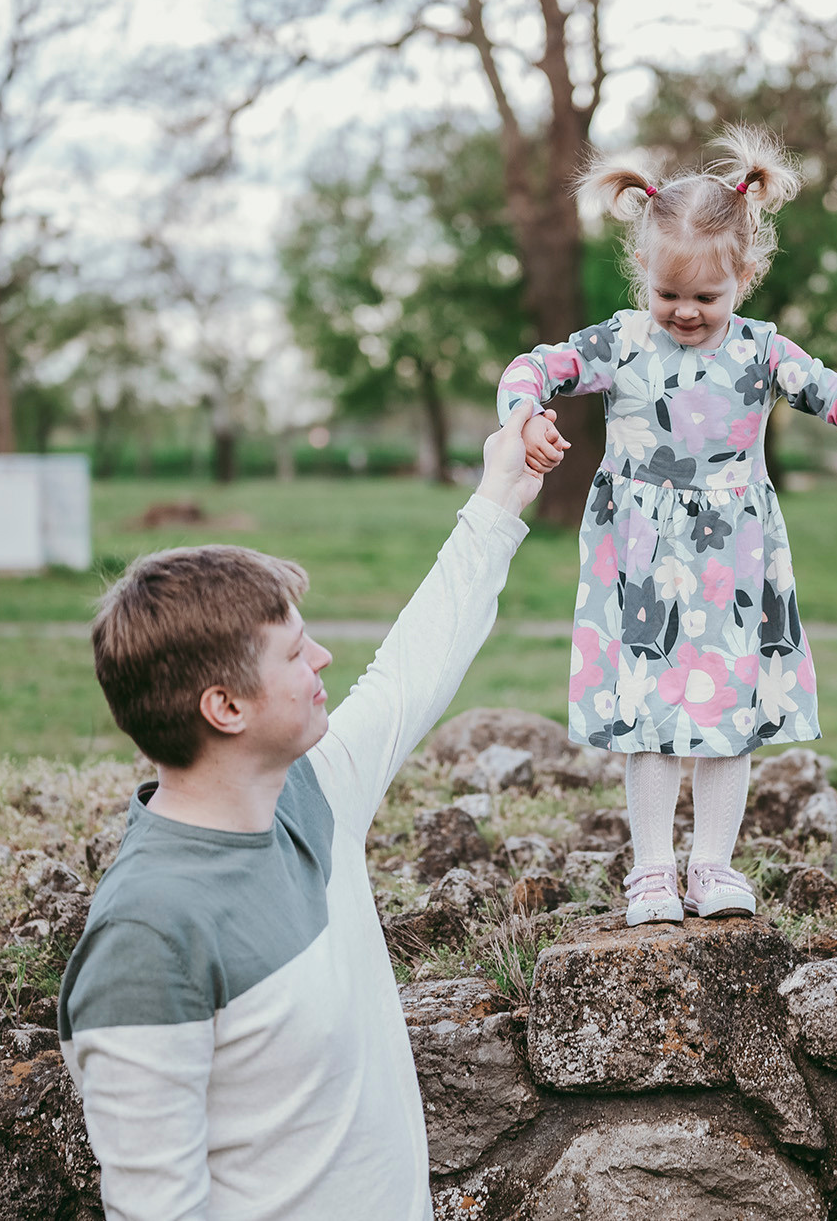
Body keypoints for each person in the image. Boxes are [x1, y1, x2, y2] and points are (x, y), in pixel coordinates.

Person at [55, 415, 543, 1221]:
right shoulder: (148, 936)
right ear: (226, 706)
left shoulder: (309, 795)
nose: (322, 659)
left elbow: (411, 669)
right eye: (293, 651)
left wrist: (502, 493)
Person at [501, 125, 837, 927]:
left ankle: (712, 865)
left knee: (727, 712)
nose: (685, 312)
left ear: (744, 277)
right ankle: (652, 869)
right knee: (649, 708)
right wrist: (524, 415)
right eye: (668, 294)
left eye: (706, 298)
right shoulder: (620, 342)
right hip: (639, 554)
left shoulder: (762, 353)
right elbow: (532, 368)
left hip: (733, 557)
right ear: (641, 272)